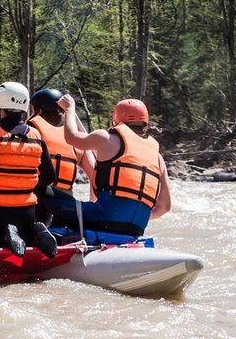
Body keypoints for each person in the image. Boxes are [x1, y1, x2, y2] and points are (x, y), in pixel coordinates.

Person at [41, 96, 172, 238]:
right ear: (145, 123)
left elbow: (72, 137)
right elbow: (164, 207)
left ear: (116, 119)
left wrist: (70, 108)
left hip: (102, 219)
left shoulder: (106, 138)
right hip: (136, 228)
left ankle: (36, 236)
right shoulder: (157, 157)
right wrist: (131, 219)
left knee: (43, 191)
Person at [0, 82, 59, 258]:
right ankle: (32, 233)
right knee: (24, 237)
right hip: (27, 210)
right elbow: (49, 176)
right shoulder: (36, 136)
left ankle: (11, 233)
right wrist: (29, 189)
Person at [28, 89, 96, 196]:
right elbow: (94, 175)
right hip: (66, 201)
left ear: (39, 111)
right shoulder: (78, 140)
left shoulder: (31, 132)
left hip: (38, 196)